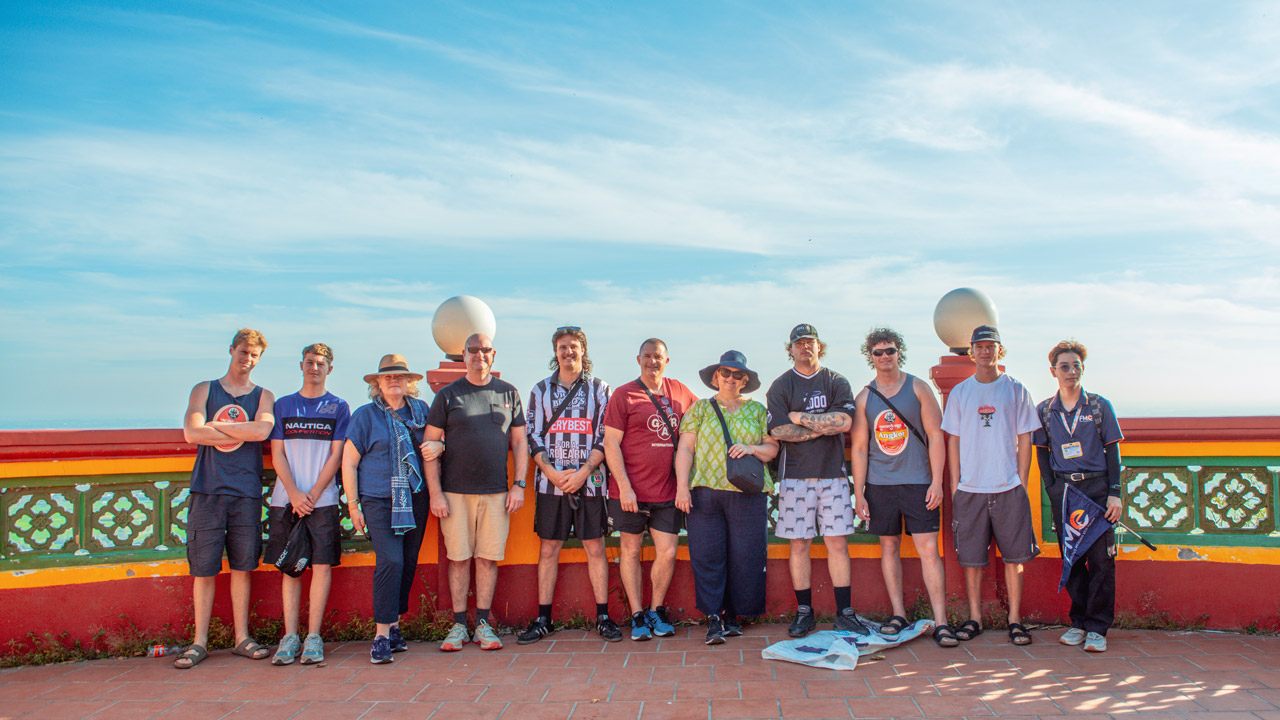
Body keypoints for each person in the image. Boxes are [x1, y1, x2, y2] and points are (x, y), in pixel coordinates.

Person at [176, 328, 277, 669]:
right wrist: (240, 429)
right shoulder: (204, 389)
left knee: (242, 566)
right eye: (243, 352)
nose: (246, 359)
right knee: (203, 568)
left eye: (254, 355)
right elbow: (192, 433)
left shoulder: (264, 395)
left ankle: (241, 638)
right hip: (207, 490)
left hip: (245, 492)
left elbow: (261, 431)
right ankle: (199, 642)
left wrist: (214, 429)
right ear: (231, 350)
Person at [423, 333, 528, 652]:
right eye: (473, 350)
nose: (479, 355)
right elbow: (429, 447)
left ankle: (482, 623)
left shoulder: (509, 392)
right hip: (454, 493)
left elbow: (520, 442)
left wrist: (519, 484)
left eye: (485, 350)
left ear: (493, 355)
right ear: (464, 355)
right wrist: (435, 493)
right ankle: (457, 626)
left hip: (497, 493)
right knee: (458, 559)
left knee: (487, 559)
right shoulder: (447, 395)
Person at [850, 328, 955, 647]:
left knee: (928, 550)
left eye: (890, 351)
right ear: (870, 356)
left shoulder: (919, 388)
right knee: (888, 548)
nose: (885, 356)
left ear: (900, 353)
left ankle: (942, 621)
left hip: (918, 483)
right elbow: (858, 447)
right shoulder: (864, 397)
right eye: (878, 352)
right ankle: (898, 614)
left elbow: (936, 436)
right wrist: (859, 492)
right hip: (880, 485)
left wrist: (937, 481)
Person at [941, 325, 1041, 646]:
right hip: (970, 488)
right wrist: (956, 484)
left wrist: (1021, 481)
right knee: (972, 559)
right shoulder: (960, 393)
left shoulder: (1015, 390)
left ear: (1000, 350)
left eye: (991, 346)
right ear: (971, 351)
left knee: (1014, 558)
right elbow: (952, 442)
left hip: (1008, 485)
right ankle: (975, 618)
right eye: (979, 347)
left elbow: (1025, 439)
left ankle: (1015, 620)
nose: (985, 352)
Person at [766, 324, 868, 637]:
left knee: (838, 544)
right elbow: (779, 431)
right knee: (799, 545)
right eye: (799, 343)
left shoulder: (836, 380)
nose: (805, 347)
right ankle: (804, 612)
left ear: (819, 347)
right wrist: (821, 427)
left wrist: (799, 417)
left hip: (834, 474)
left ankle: (845, 612)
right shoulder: (780, 386)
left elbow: (844, 421)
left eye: (810, 342)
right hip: (794, 476)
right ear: (791, 349)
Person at [519, 326, 618, 644]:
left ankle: (603, 616)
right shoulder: (539, 391)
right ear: (555, 352)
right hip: (551, 484)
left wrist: (583, 472)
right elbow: (531, 434)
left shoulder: (601, 389)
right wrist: (549, 471)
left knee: (595, 548)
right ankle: (543, 618)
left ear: (583, 351)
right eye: (562, 347)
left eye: (573, 346)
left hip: (591, 483)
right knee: (548, 549)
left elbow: (605, 434)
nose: (568, 352)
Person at [676, 350, 779, 644]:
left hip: (747, 493)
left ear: (745, 379)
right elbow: (685, 449)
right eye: (726, 373)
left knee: (745, 556)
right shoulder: (700, 409)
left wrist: (752, 449)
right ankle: (712, 616)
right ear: (715, 377)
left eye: (737, 374)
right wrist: (682, 486)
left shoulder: (758, 411)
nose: (731, 378)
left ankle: (734, 613)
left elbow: (772, 449)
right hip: (705, 492)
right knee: (707, 556)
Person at [603, 338, 698, 641]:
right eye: (647, 356)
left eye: (658, 357)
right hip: (630, 493)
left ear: (666, 361)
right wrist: (625, 488)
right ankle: (636, 614)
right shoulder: (623, 394)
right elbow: (611, 444)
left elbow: (706, 417)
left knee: (667, 552)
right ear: (638, 359)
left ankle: (656, 609)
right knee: (630, 552)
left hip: (669, 492)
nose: (652, 361)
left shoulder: (681, 392)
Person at [1033, 340, 1124, 653]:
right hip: (1065, 493)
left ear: (1083, 368)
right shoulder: (1045, 410)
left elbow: (1113, 451)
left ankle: (1098, 627)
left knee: (1102, 561)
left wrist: (1115, 493)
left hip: (1097, 491)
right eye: (1064, 367)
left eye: (1076, 366)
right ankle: (1079, 621)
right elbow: (1042, 452)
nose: (1071, 372)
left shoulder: (1099, 406)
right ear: (1053, 371)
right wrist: (1051, 487)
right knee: (1072, 558)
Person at [341, 354, 431, 664]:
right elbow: (349, 462)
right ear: (377, 384)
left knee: (407, 562)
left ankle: (394, 627)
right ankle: (380, 636)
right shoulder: (365, 416)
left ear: (410, 382)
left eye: (399, 376)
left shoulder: (421, 412)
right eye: (387, 377)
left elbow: (436, 445)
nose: (394, 381)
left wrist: (440, 446)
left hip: (416, 498)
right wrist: (353, 505)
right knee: (390, 561)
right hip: (378, 499)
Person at [267, 343, 350, 665]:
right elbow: (278, 454)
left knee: (321, 566)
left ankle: (314, 636)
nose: (314, 367)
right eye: (310, 362)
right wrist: (295, 493)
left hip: (324, 501)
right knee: (290, 567)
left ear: (330, 368)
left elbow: (336, 455)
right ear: (301, 365)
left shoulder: (339, 407)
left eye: (321, 363)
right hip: (286, 500)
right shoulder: (283, 405)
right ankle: (290, 636)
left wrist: (312, 494)